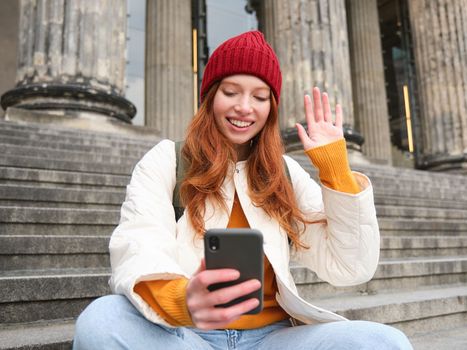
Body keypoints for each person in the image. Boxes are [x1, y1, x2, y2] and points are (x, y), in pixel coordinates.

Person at [73, 30, 412, 349]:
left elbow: (349, 266)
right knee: (101, 320)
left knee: (385, 342)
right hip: (186, 335)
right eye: (231, 92)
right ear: (209, 97)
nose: (245, 107)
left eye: (259, 96)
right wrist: (185, 300)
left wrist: (336, 172)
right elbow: (138, 244)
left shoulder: (286, 174)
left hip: (271, 339)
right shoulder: (167, 160)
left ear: (271, 107)